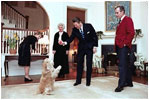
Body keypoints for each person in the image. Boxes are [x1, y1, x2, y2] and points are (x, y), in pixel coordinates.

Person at [62, 17, 98, 86]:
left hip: (89, 47)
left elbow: (94, 36)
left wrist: (95, 46)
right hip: (81, 48)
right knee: (79, 64)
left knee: (89, 64)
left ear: (80, 22)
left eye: (76, 25)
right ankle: (78, 81)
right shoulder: (75, 30)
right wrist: (65, 43)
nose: (75, 26)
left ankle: (88, 82)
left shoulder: (88, 26)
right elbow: (71, 38)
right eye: (74, 25)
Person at [114, 6, 135, 92]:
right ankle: (129, 82)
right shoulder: (120, 21)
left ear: (122, 12)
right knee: (126, 65)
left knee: (122, 66)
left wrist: (125, 43)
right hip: (120, 46)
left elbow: (131, 33)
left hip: (123, 46)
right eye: (115, 13)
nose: (116, 14)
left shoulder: (128, 19)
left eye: (117, 13)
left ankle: (121, 85)